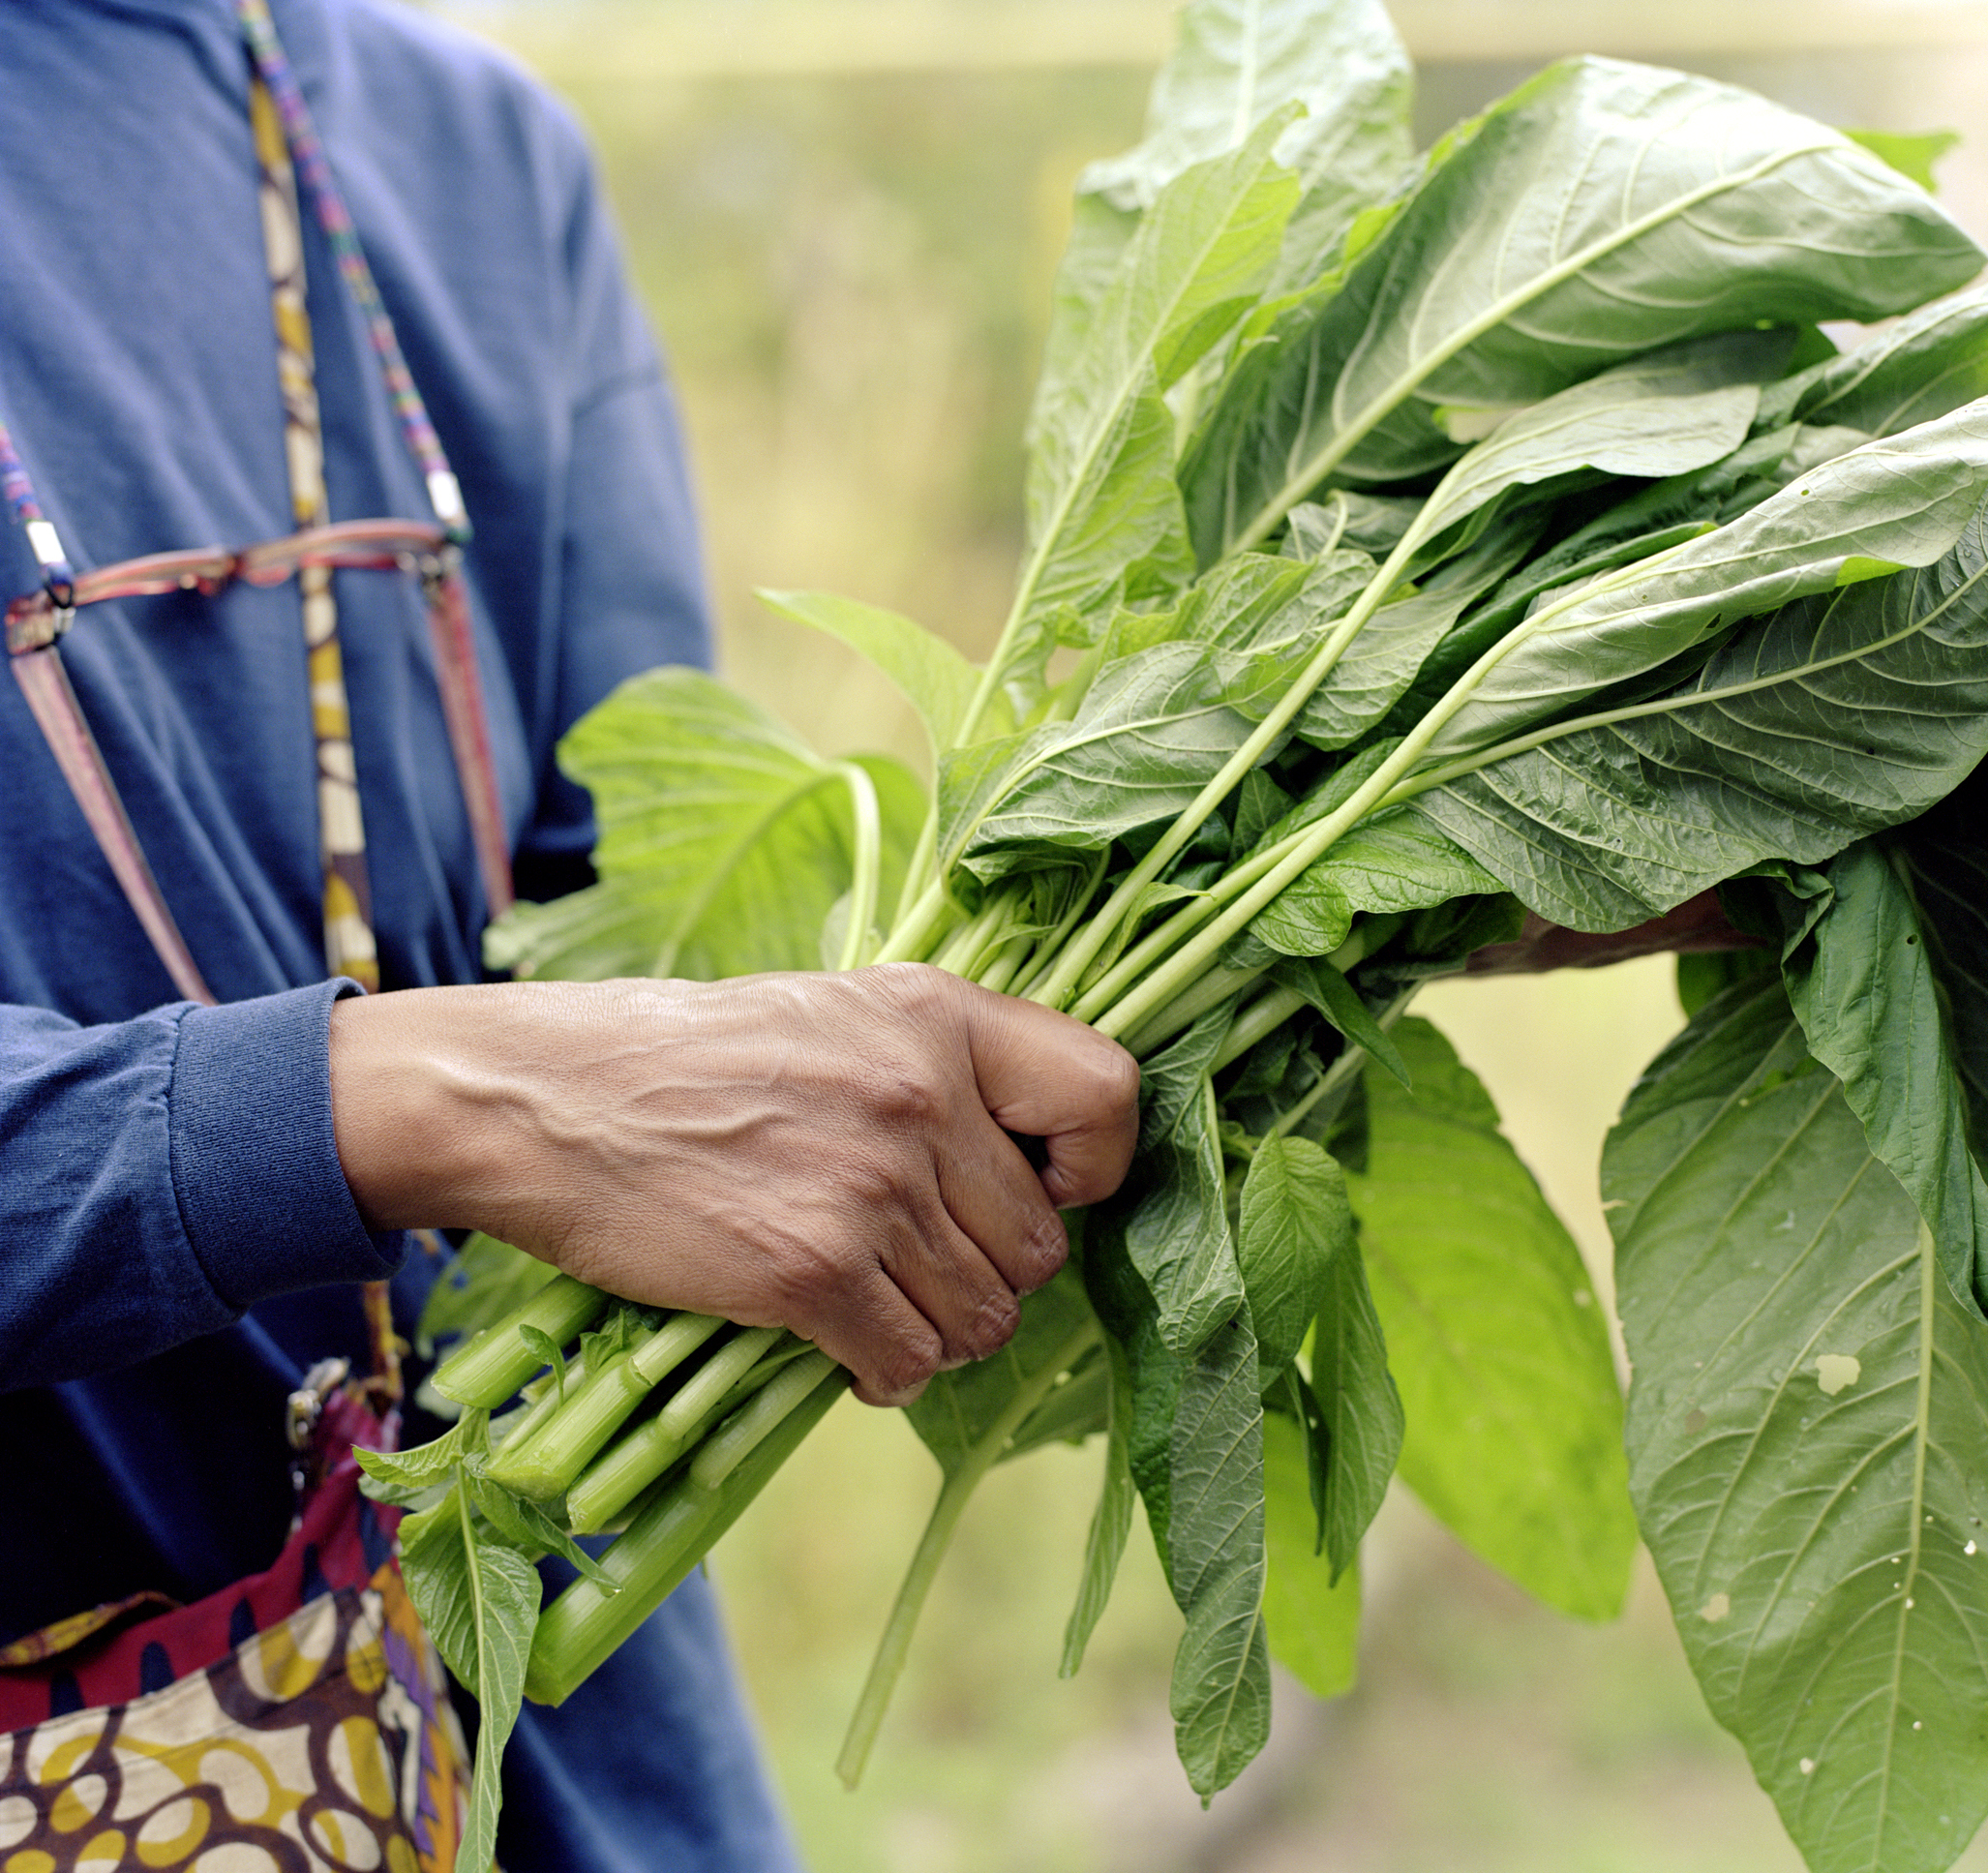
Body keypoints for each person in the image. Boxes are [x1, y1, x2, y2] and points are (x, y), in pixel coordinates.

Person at [0, 1, 1137, 1866]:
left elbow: (649, 960)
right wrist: (412, 1104)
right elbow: (550, 1087)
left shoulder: (455, 147)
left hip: (560, 1768)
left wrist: (1394, 868)